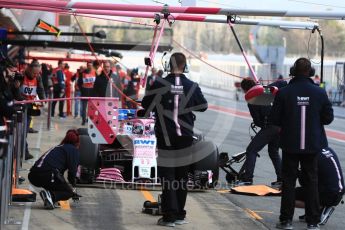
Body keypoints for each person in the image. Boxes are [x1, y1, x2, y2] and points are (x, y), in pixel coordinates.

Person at [142, 52, 208, 227]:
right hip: (185, 138)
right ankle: (179, 214)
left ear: (168, 65)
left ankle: (169, 216)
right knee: (181, 176)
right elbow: (203, 106)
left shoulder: (159, 83)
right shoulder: (192, 85)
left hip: (166, 137)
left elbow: (145, 105)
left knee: (168, 176)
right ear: (185, 66)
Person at [270, 57, 334, 230]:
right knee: (311, 181)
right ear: (310, 72)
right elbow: (328, 119)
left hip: (290, 144)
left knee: (288, 181)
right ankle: (313, 222)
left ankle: (286, 221)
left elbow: (274, 120)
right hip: (312, 145)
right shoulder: (320, 92)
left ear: (293, 71)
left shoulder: (283, 93)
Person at [238, 78, 283, 186]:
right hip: (280, 126)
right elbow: (272, 89)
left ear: (245, 89)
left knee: (251, 150)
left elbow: (257, 120)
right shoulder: (266, 91)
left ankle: (247, 179)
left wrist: (259, 124)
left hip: (269, 127)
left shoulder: (252, 100)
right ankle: (282, 179)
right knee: (273, 152)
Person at [28, 129, 80, 209]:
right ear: (77, 142)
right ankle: (51, 196)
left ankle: (51, 198)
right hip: (47, 175)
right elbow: (72, 173)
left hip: (33, 176)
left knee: (58, 182)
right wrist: (73, 189)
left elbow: (59, 175)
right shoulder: (73, 150)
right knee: (68, 192)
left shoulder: (57, 147)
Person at [295, 147, 344, 225]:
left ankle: (320, 208)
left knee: (288, 196)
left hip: (328, 195)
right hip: (338, 192)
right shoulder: (327, 149)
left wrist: (296, 172)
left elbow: (304, 182)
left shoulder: (310, 154)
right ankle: (314, 211)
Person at [21, 61, 45, 159]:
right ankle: (23, 152)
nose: (36, 75)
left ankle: (21, 150)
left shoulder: (38, 77)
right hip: (21, 106)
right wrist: (22, 100)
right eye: (34, 73)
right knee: (23, 130)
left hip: (30, 106)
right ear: (29, 69)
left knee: (25, 130)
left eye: (37, 73)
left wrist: (43, 99)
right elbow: (15, 90)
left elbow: (40, 89)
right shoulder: (21, 75)